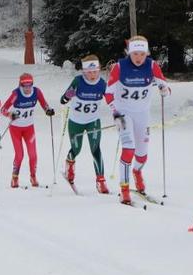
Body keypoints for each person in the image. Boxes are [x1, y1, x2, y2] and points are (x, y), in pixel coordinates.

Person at [105, 36, 171, 205]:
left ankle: (137, 172)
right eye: (135, 53)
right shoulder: (119, 67)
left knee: (142, 155)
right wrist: (115, 112)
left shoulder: (152, 65)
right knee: (129, 149)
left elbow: (165, 85)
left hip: (143, 114)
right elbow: (108, 93)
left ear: (146, 53)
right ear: (129, 52)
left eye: (142, 54)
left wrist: (164, 90)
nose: (138, 57)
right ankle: (124, 189)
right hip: (123, 113)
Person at [60, 56, 109, 193]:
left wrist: (119, 113)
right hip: (76, 122)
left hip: (93, 121)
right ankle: (69, 166)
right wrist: (68, 96)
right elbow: (62, 100)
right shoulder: (78, 81)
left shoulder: (102, 84)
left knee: (95, 149)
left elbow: (112, 100)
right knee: (76, 150)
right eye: (89, 72)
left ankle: (101, 181)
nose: (93, 75)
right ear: (84, 72)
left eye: (95, 71)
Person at [0, 73, 54, 188]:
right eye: (25, 86)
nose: (28, 88)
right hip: (15, 128)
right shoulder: (16, 94)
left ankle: (33, 176)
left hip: (29, 128)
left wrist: (48, 110)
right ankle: (15, 178)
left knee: (33, 154)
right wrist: (9, 114)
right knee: (19, 155)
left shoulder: (37, 92)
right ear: (20, 85)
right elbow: (3, 109)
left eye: (30, 85)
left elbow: (44, 104)